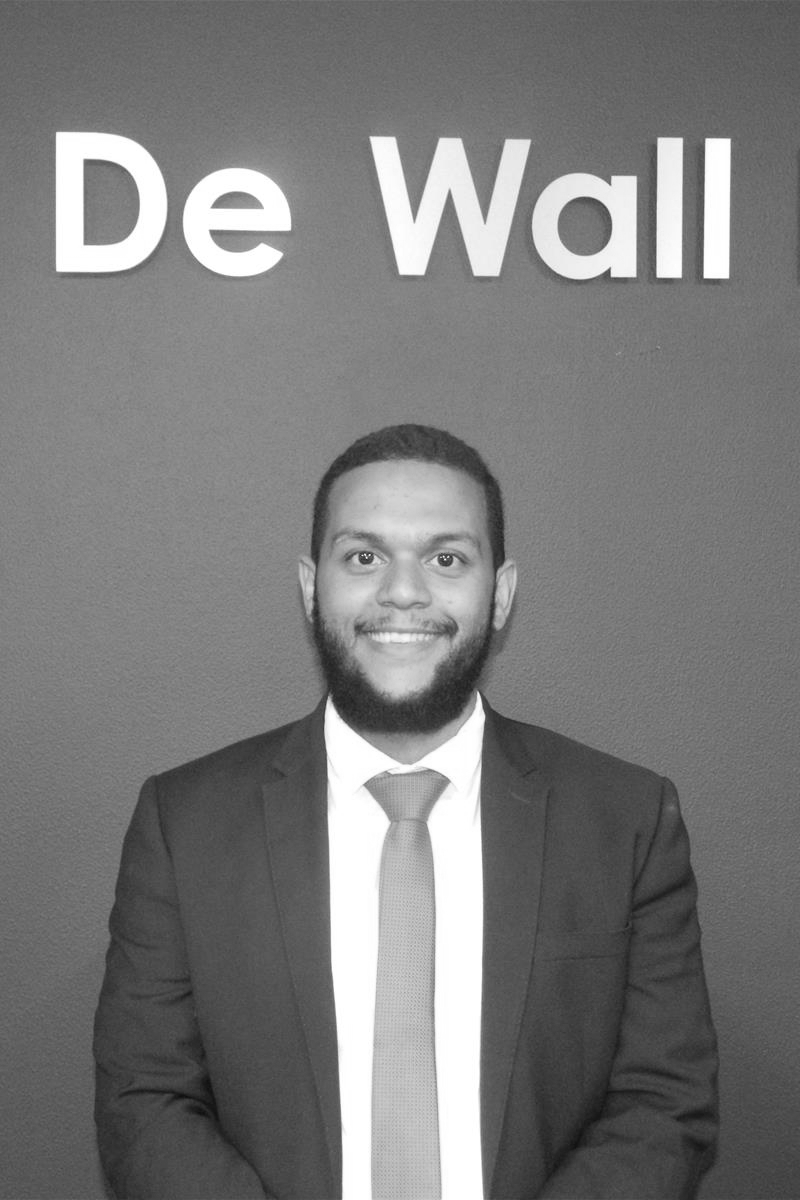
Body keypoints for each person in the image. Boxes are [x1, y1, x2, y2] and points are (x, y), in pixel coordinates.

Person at [94, 423, 718, 1200]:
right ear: (310, 586)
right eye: (364, 557)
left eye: (446, 559)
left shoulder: (625, 821)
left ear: (502, 594)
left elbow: (663, 1105)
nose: (403, 591)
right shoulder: (184, 825)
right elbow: (145, 1104)